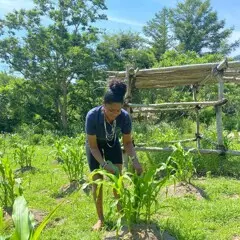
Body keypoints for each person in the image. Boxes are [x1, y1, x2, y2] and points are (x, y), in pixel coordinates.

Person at [85, 79, 143, 231]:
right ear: (103, 105)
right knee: (97, 182)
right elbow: (92, 146)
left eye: (118, 110)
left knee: (117, 179)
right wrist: (104, 164)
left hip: (112, 143)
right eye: (111, 110)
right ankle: (100, 219)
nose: (115, 114)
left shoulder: (124, 117)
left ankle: (121, 215)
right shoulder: (92, 116)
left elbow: (128, 143)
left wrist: (135, 160)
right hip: (95, 147)